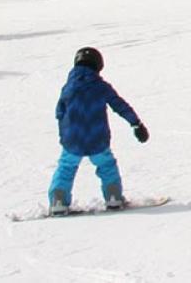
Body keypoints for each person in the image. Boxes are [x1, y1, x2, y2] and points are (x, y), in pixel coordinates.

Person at [47, 47, 149, 215]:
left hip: (73, 140)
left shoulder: (68, 87)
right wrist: (136, 124)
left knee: (66, 167)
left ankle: (58, 200)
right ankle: (114, 198)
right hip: (97, 138)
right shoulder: (101, 86)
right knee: (106, 165)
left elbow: (59, 112)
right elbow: (119, 105)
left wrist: (64, 135)